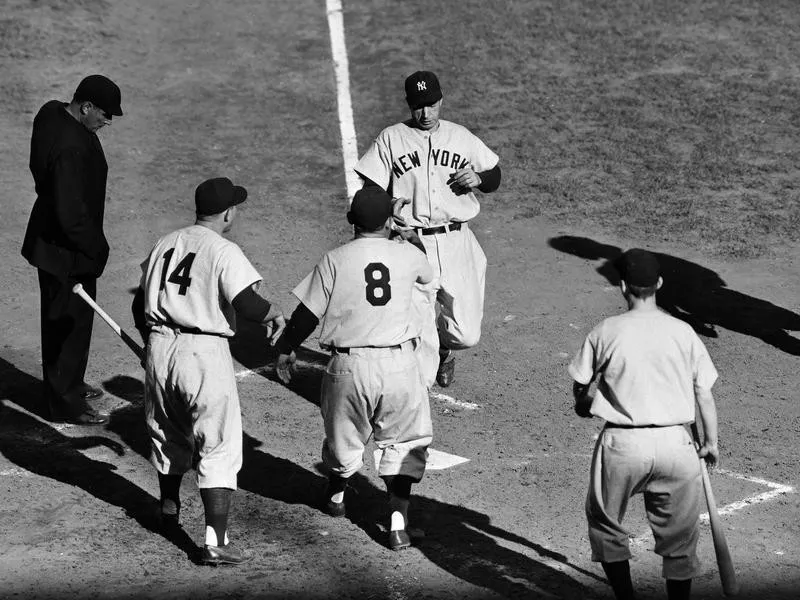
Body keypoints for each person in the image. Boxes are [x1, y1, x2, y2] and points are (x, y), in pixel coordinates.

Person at [131, 177, 285, 566]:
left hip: (160, 347)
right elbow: (246, 302)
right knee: (217, 443)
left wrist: (150, 346)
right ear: (228, 213)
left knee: (167, 432)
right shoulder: (223, 248)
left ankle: (168, 510)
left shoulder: (165, 243)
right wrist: (274, 313)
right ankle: (216, 541)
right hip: (203, 353)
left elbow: (139, 307)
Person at [274, 186, 434, 551]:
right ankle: (397, 524)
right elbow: (427, 277)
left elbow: (306, 315)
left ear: (351, 221)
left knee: (343, 438)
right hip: (399, 366)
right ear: (388, 220)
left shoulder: (335, 259)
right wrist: (406, 237)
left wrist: (285, 348)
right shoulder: (407, 254)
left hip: (349, 365)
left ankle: (335, 497)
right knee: (404, 442)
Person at [568, 249, 721, 600]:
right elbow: (704, 394)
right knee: (680, 540)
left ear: (623, 286)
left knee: (606, 524)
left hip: (623, 446)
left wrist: (582, 402)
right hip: (676, 445)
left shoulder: (606, 330)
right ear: (660, 284)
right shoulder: (683, 331)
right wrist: (710, 442)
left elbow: (581, 383)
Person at [354, 70, 501, 388]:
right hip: (411, 242)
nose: (426, 113)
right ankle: (411, 400)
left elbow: (494, 173)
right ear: (409, 105)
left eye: (432, 105)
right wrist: (383, 205)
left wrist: (480, 179)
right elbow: (370, 184)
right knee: (416, 340)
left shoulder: (460, 136)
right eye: (419, 106)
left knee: (466, 334)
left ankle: (445, 349)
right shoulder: (392, 137)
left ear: (441, 101)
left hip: (457, 241)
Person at [22, 74, 123, 424]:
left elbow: (39, 171)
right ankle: (64, 404)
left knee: (72, 321)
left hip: (51, 241)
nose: (106, 121)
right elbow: (70, 213)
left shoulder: (50, 113)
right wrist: (97, 247)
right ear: (86, 106)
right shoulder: (71, 147)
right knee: (67, 326)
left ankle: (71, 384)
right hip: (65, 252)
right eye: (104, 114)